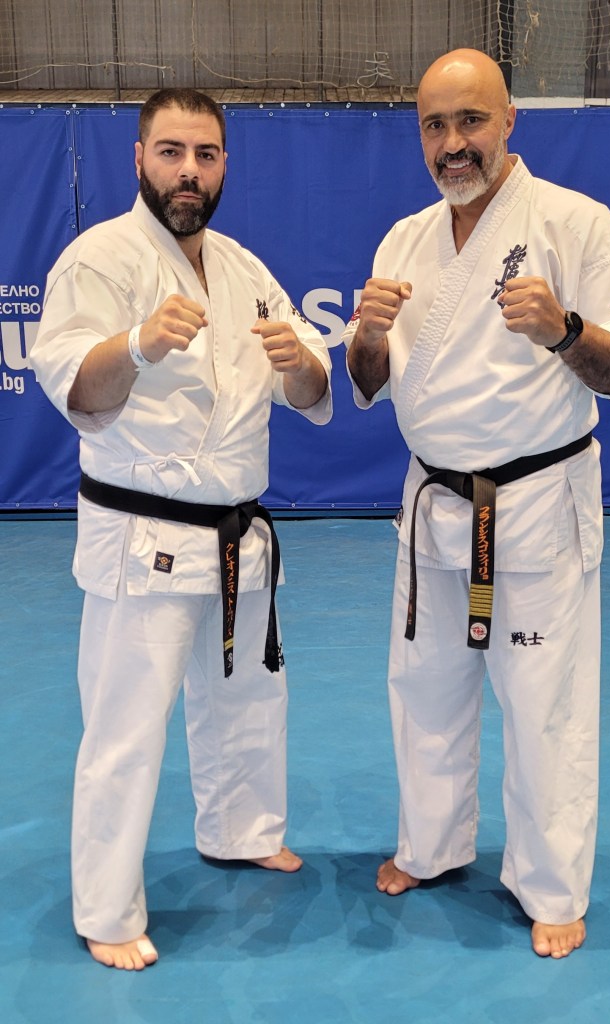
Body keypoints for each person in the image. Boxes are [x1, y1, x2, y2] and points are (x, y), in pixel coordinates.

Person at [344, 49, 610, 958]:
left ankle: (549, 884)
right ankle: (432, 847)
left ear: (510, 119)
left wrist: (561, 330)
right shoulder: (404, 239)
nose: (453, 144)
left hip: (532, 503)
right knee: (425, 688)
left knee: (542, 700)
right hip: (433, 504)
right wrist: (366, 334)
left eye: (470, 120)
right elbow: (368, 387)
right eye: (435, 126)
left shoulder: (573, 222)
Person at [31, 88, 332, 970]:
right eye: (170, 152)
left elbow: (311, 396)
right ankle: (106, 907)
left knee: (245, 699)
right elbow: (76, 393)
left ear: (225, 164)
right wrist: (134, 345)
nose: (188, 171)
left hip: (236, 536)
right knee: (126, 728)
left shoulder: (243, 267)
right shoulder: (99, 260)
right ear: (138, 159)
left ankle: (242, 830)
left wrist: (301, 366)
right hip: (142, 536)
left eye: (204, 153)